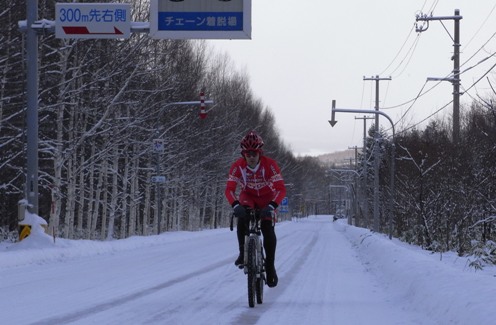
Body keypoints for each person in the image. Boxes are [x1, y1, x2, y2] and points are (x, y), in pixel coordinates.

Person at [225, 130, 286, 288]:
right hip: (248, 196)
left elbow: (281, 189)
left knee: (267, 228)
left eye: (254, 153)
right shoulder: (238, 166)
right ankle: (242, 253)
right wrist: (235, 205)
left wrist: (272, 205)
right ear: (243, 154)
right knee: (243, 217)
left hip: (267, 197)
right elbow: (229, 190)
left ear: (260, 153)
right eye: (248, 153)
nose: (251, 157)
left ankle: (270, 267)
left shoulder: (270, 165)